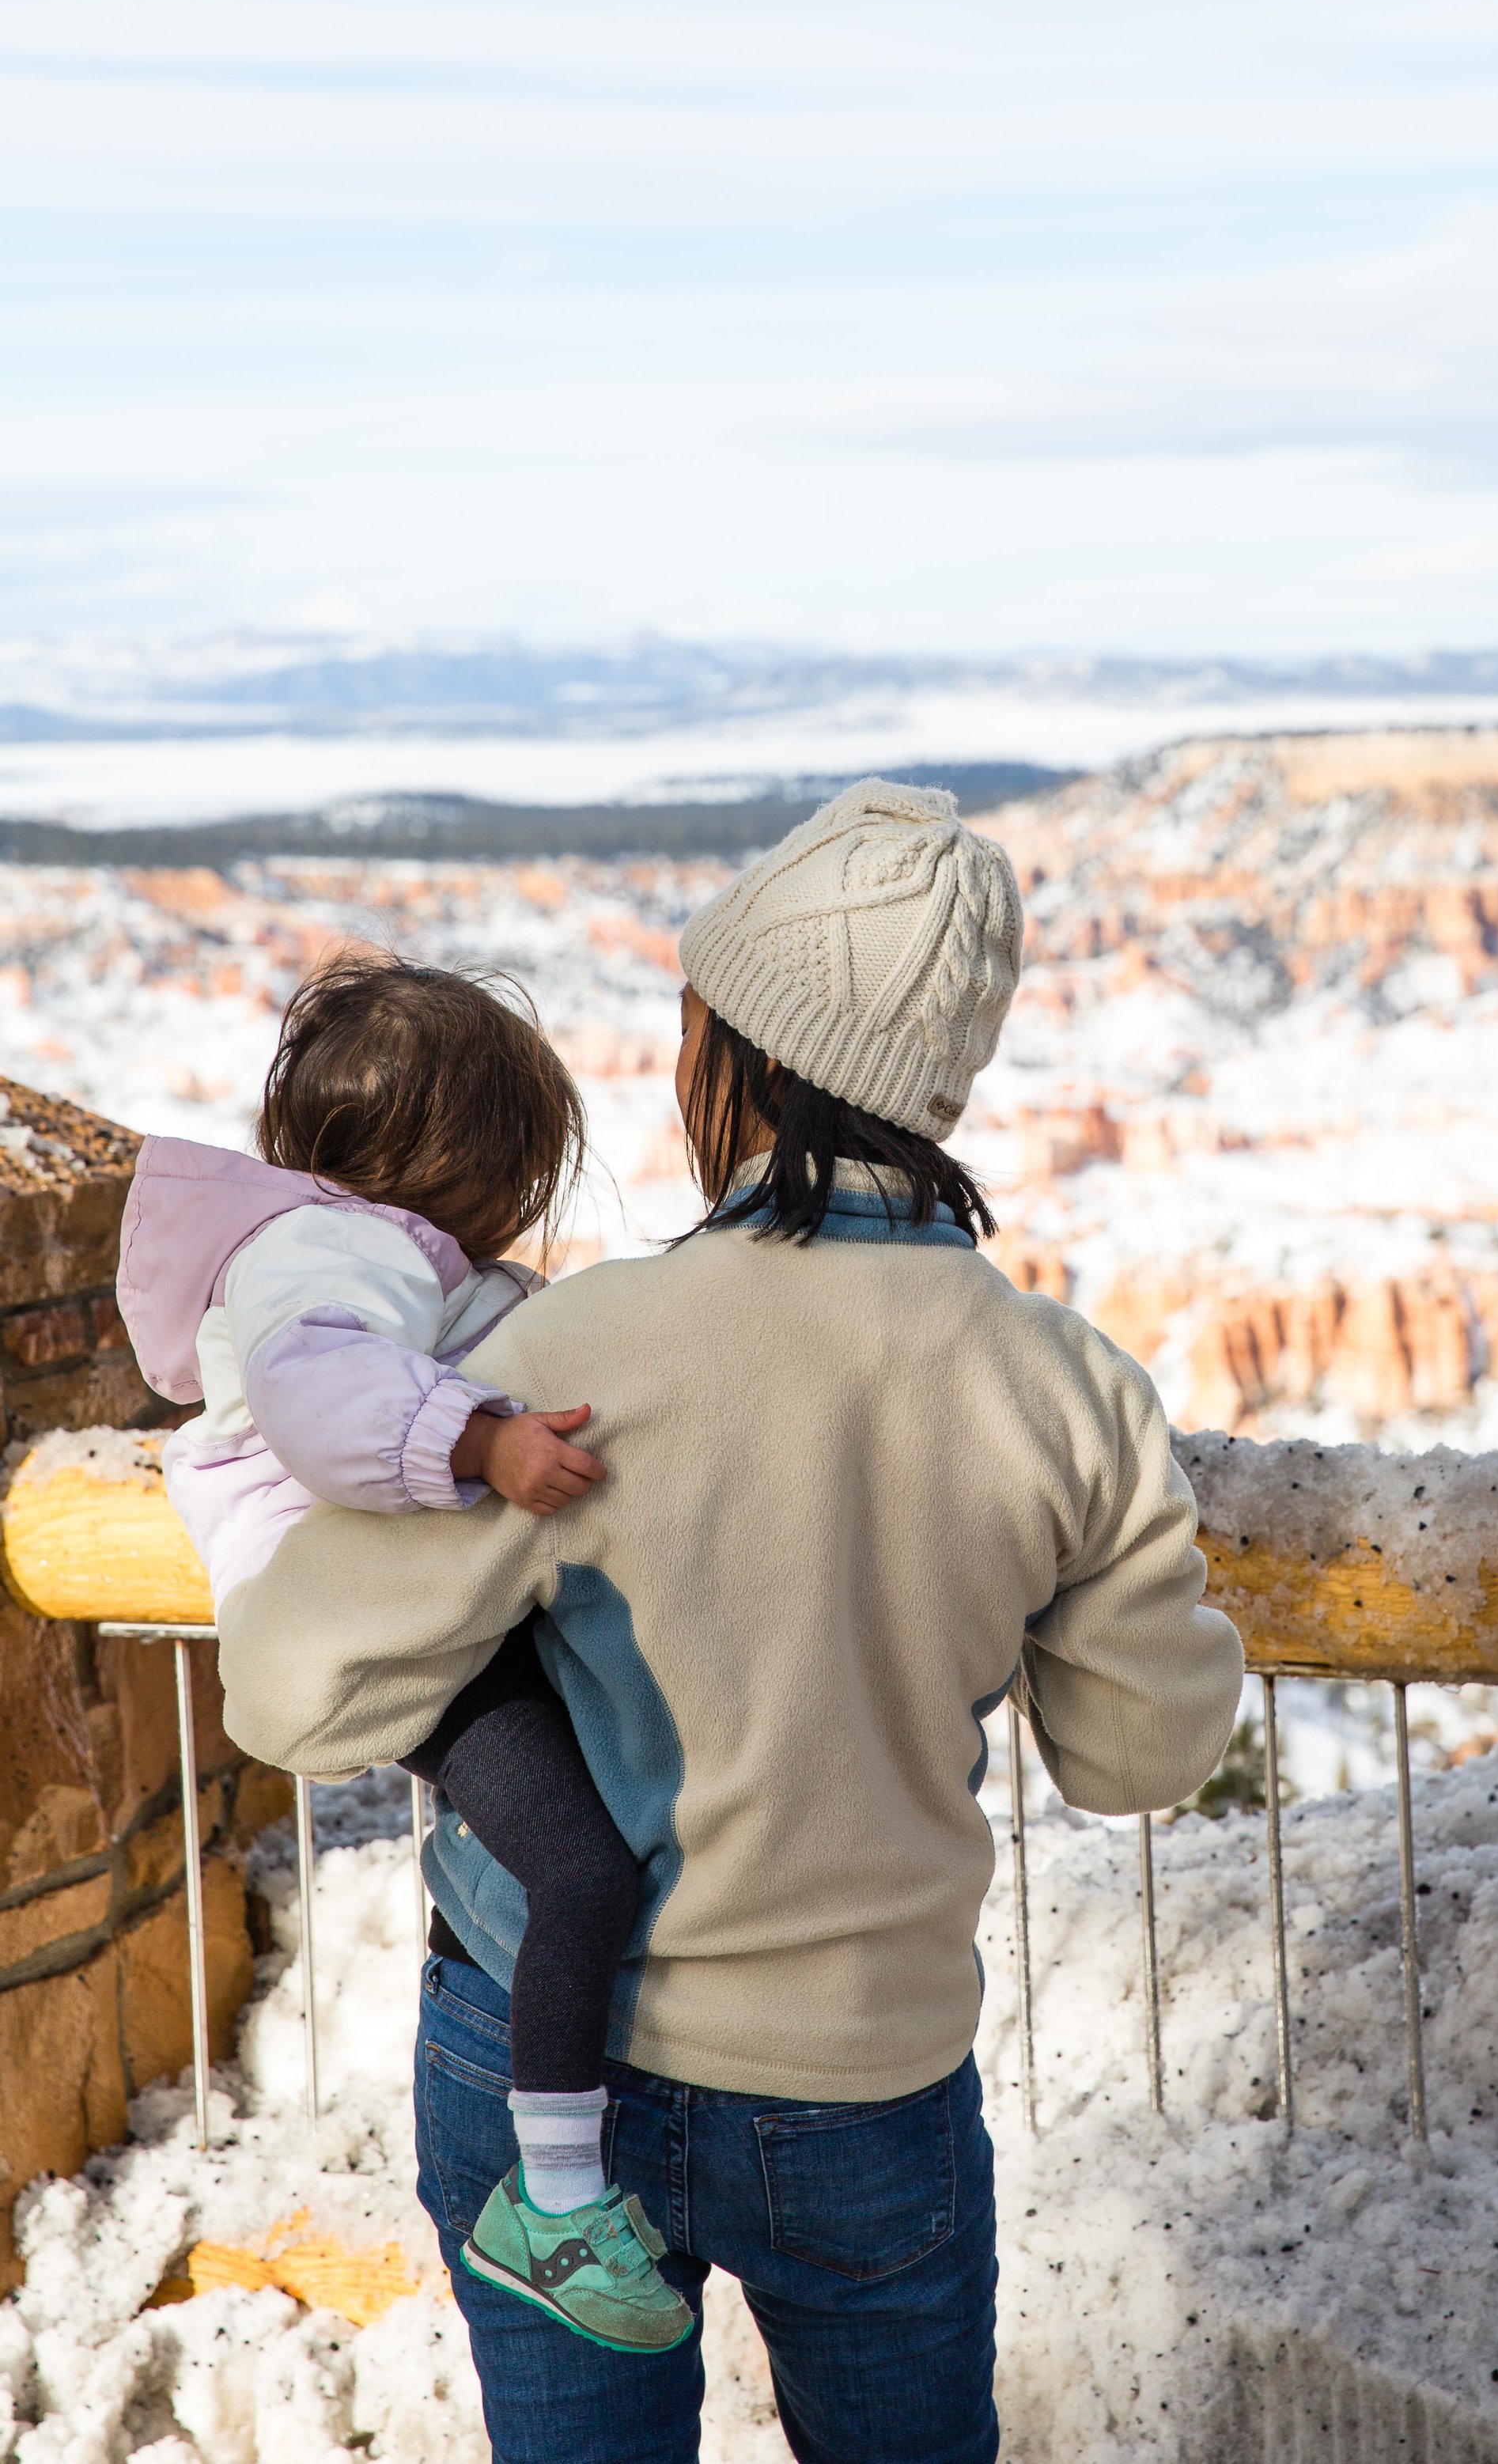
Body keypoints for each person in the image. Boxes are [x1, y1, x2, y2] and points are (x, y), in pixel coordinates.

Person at [218, 778, 1246, 2464]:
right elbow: (1142, 1754)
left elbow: (289, 1692)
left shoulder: (578, 1355)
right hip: (867, 2082)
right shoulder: (1066, 1392)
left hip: (546, 2064)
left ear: (732, 1053)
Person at [117, 959, 692, 2352]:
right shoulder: (334, 1255)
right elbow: (331, 1399)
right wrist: (484, 1443)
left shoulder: (374, 1254)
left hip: (376, 1592)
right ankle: (555, 2197)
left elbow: (484, 1333)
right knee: (580, 1864)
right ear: (469, 1166)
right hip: (350, 1607)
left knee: (582, 1831)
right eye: (525, 1170)